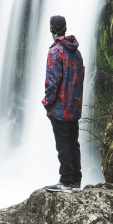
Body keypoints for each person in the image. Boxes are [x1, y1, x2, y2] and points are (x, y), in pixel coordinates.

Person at [42, 14, 85, 192]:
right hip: (74, 106)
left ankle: (66, 180)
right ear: (65, 29)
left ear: (51, 30)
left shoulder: (55, 52)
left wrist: (48, 104)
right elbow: (81, 78)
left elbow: (52, 82)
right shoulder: (76, 52)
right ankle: (76, 179)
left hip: (60, 107)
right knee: (73, 142)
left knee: (63, 145)